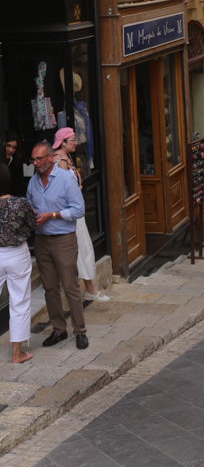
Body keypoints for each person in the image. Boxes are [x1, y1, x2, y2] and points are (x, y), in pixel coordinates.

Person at [26, 140, 88, 349]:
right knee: (50, 288)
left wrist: (52, 215)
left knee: (70, 287)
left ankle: (80, 331)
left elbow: (78, 210)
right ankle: (59, 330)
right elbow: (29, 206)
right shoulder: (32, 182)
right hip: (42, 241)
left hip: (63, 239)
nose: (35, 163)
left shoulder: (66, 179)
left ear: (50, 157)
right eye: (32, 159)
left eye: (39, 158)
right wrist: (31, 215)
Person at [51, 128, 109, 303]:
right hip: (70, 214)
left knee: (83, 248)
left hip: (75, 212)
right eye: (72, 140)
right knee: (80, 249)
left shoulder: (66, 159)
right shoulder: (60, 161)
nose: (76, 142)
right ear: (62, 142)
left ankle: (88, 288)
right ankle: (88, 289)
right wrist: (77, 191)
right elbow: (61, 190)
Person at [0, 162, 36, 363]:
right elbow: (31, 224)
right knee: (19, 301)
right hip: (16, 253)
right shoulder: (20, 203)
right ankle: (17, 354)